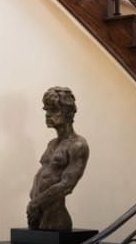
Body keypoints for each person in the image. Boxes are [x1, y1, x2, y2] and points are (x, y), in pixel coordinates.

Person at [26, 86, 89, 231]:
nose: (48, 115)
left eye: (53, 110)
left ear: (67, 113)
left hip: (54, 216)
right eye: (47, 110)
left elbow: (67, 185)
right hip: (37, 211)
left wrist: (37, 202)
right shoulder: (52, 143)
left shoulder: (78, 145)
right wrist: (34, 200)